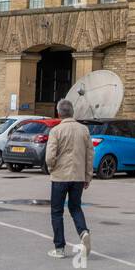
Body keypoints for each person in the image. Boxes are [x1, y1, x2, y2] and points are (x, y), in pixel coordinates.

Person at [44, 99, 92, 260]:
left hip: (60, 176)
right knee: (75, 207)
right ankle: (83, 231)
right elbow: (89, 155)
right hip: (78, 176)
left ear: (59, 113)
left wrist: (51, 168)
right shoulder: (84, 130)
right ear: (73, 113)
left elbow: (50, 155)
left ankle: (59, 248)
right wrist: (87, 176)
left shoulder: (56, 131)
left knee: (57, 211)